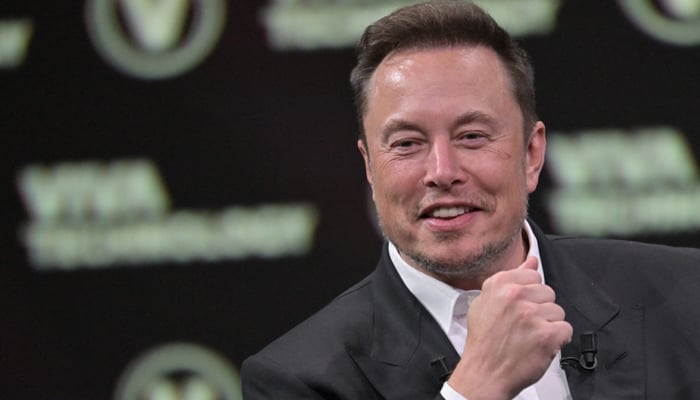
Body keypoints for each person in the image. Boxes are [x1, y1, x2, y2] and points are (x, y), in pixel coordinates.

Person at [241, 0, 700, 398]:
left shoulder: (685, 296)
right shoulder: (297, 381)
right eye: (406, 143)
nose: (442, 172)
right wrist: (474, 390)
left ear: (531, 154)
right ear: (369, 167)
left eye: (472, 136)